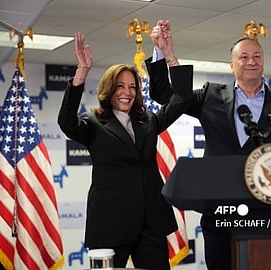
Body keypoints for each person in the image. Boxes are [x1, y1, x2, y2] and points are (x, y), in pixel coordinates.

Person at [146, 20, 271, 269]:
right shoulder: (210, 96)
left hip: (266, 214)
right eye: (243, 56)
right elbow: (166, 96)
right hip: (219, 214)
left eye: (257, 56)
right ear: (232, 65)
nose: (251, 61)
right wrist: (167, 54)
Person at [57, 32, 193, 270]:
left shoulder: (149, 120)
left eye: (132, 87)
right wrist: (82, 71)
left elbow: (182, 99)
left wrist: (170, 56)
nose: (127, 92)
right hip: (111, 222)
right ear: (109, 89)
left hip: (151, 222)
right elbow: (67, 123)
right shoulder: (94, 122)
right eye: (120, 86)